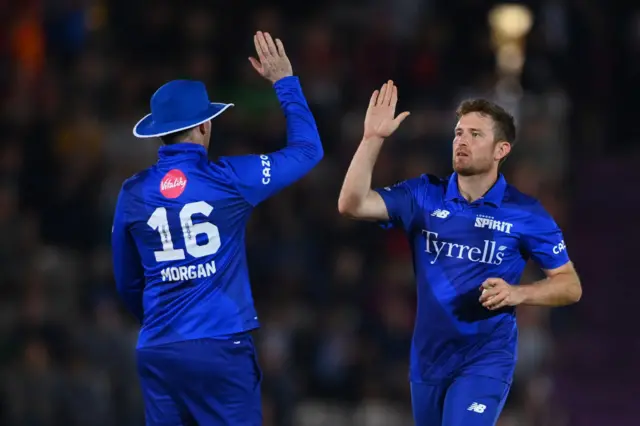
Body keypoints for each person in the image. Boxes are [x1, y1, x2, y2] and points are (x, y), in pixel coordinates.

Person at [338, 80, 582, 426]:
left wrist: (518, 293)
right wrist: (371, 139)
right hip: (428, 359)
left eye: (475, 134)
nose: (462, 141)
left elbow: (570, 285)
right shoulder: (424, 195)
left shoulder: (525, 213)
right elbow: (351, 204)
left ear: (501, 150)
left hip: (485, 360)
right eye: (458, 133)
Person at [111, 31, 323, 426]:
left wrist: (164, 319)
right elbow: (308, 150)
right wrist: (285, 84)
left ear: (159, 132)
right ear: (205, 127)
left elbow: (126, 282)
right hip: (219, 347)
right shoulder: (228, 180)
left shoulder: (132, 192)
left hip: (158, 349)